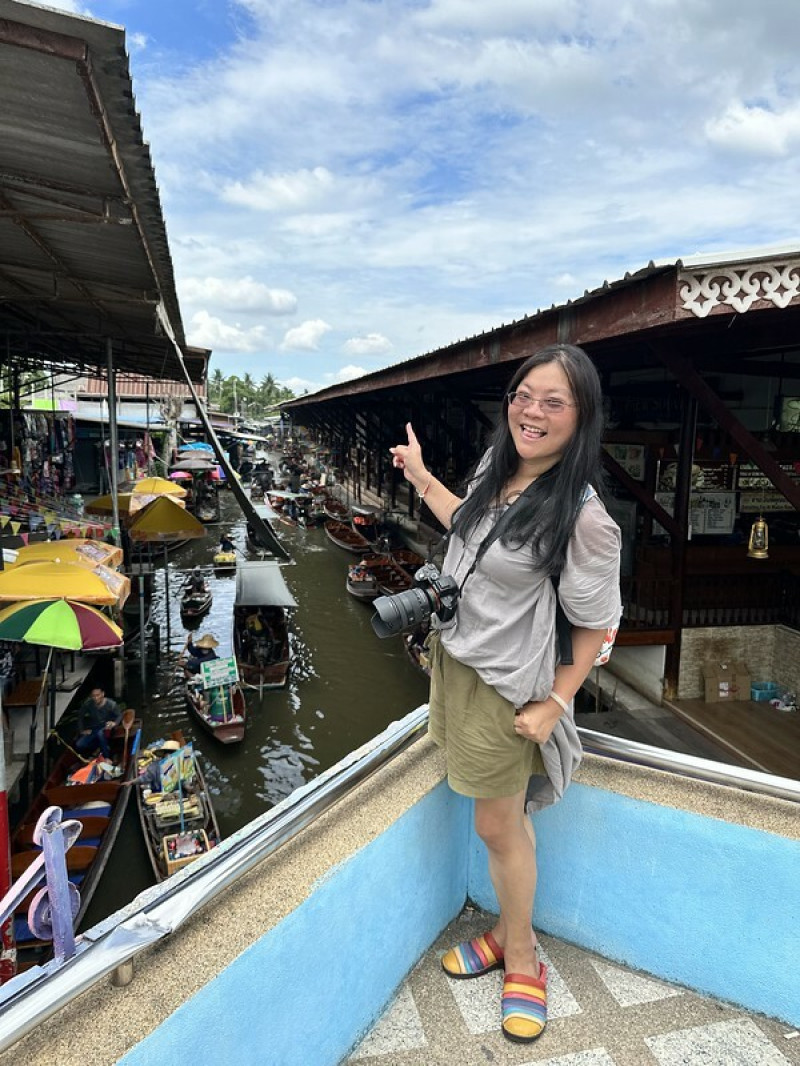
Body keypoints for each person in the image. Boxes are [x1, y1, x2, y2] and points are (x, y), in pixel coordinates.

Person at [389, 343, 621, 1044]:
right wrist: (423, 476)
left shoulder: (585, 519)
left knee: (496, 826)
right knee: (495, 820)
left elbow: (599, 623)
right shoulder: (499, 466)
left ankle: (521, 957)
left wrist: (555, 701)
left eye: (555, 402)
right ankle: (503, 929)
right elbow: (469, 531)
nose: (533, 411)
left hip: (506, 688)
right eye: (525, 394)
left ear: (581, 418)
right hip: (456, 661)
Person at [75, 686, 122, 760]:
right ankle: (98, 747)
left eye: (98, 695)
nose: (96, 698)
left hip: (107, 729)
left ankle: (107, 757)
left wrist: (115, 723)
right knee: (79, 745)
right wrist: (82, 730)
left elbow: (119, 715)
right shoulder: (88, 704)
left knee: (100, 734)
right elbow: (80, 716)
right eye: (93, 696)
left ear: (102, 694)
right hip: (94, 729)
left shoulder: (111, 704)